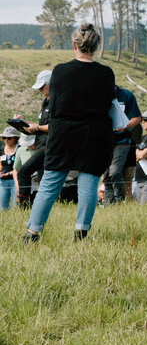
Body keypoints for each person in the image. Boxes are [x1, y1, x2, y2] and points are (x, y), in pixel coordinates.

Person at [24, 23, 116, 242]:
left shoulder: (60, 71)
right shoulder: (106, 73)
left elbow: (53, 106)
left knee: (49, 185)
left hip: (63, 134)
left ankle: (32, 233)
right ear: (95, 46)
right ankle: (81, 233)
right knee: (88, 184)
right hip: (95, 134)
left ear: (75, 44)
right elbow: (108, 104)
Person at [16, 69, 52, 207]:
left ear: (51, 83)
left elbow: (56, 126)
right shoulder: (45, 102)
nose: (40, 90)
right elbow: (41, 126)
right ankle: (42, 206)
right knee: (43, 180)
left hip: (48, 147)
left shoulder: (56, 101)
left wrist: (36, 127)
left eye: (42, 87)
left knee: (24, 172)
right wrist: (23, 122)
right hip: (40, 145)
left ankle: (23, 206)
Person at [105, 85, 142, 204]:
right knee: (106, 176)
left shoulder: (127, 95)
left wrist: (124, 126)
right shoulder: (98, 94)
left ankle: (119, 200)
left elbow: (137, 118)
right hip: (105, 141)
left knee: (115, 172)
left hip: (122, 141)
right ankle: (109, 204)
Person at [0, 127, 20, 210]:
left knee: (17, 206)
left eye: (9, 138)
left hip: (15, 181)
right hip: (2, 182)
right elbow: (1, 164)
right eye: (4, 138)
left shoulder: (19, 149)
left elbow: (20, 168)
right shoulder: (1, 149)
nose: (6, 140)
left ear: (15, 138)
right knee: (3, 208)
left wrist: (8, 174)